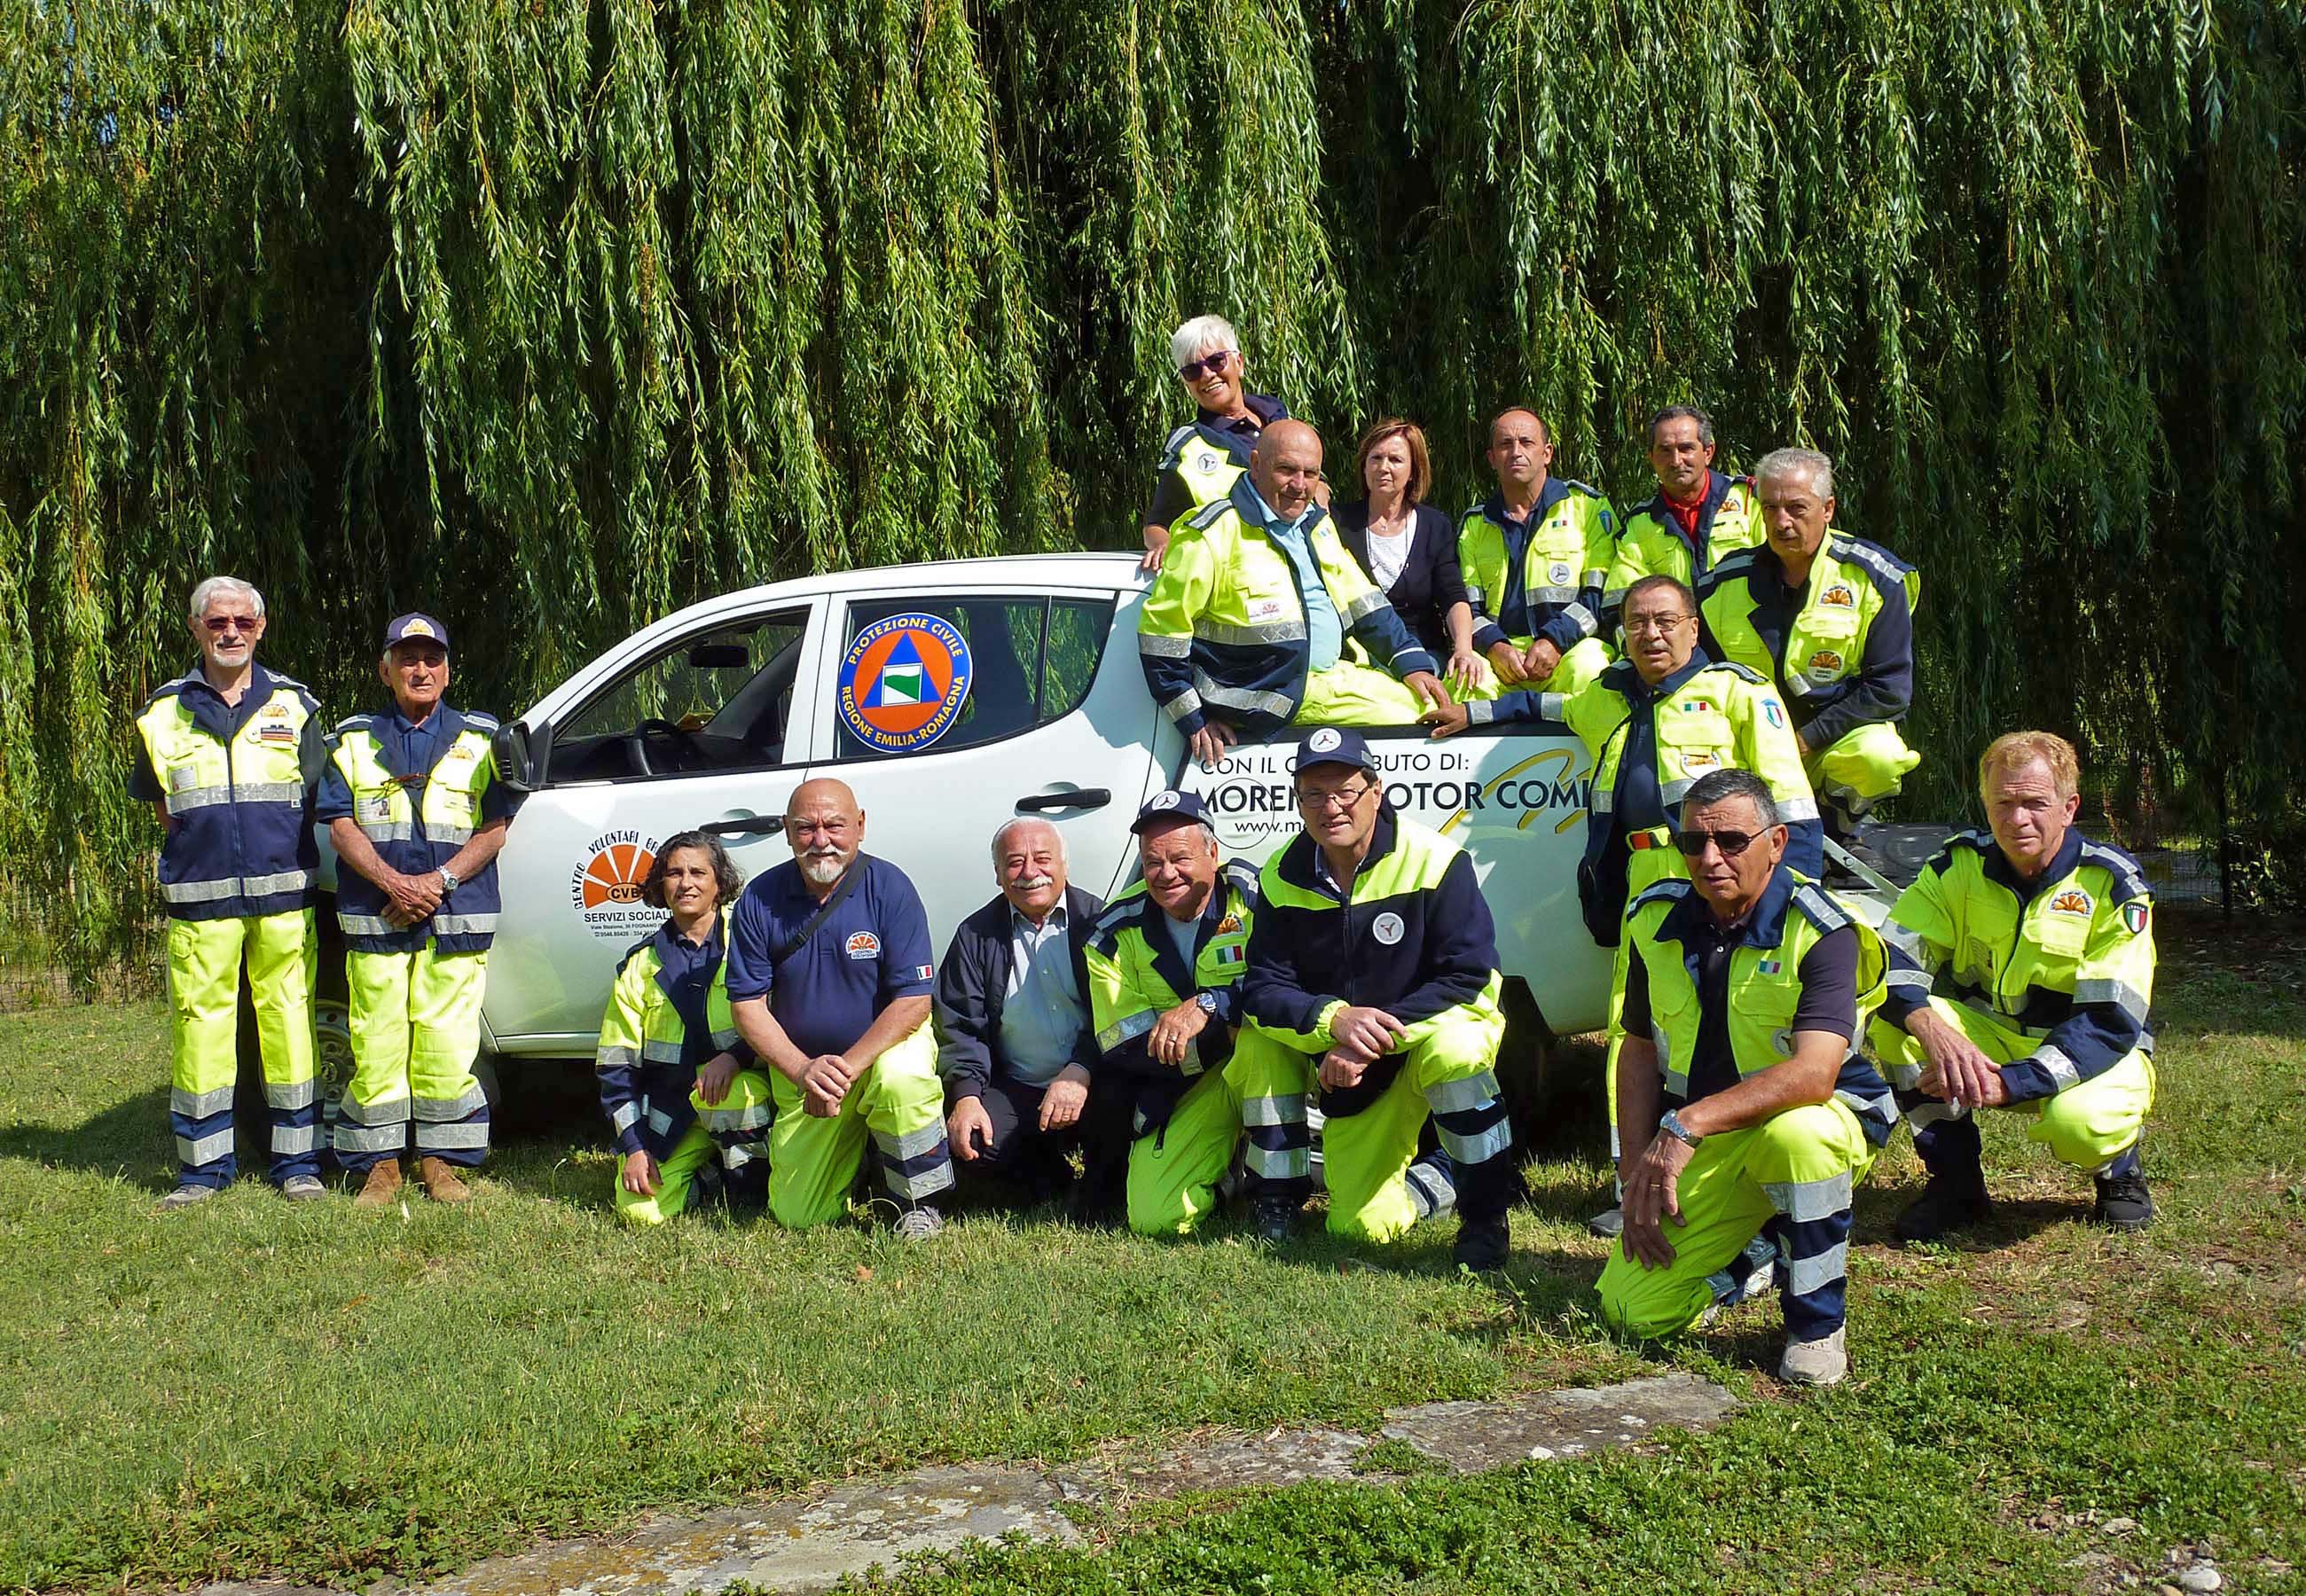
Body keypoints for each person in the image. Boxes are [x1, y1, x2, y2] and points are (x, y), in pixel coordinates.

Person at [1426, 574, 1819, 1237]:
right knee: (1636, 1034)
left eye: (1666, 620)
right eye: (1637, 622)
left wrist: (1788, 899)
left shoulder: (1737, 692)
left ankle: (1761, 1184)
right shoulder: (1607, 695)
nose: (1651, 633)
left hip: (1721, 872)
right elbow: (1548, 711)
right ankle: (1632, 1183)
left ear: (1694, 627)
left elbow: (1795, 809)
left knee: (1737, 1022)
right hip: (1643, 879)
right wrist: (1475, 715)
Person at [1599, 770, 1896, 1386]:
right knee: (1631, 1310)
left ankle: (1816, 1325)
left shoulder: (1823, 929)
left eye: (1732, 841)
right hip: (1715, 1132)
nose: (1710, 859)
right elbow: (1638, 1047)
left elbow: (1814, 1075)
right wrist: (1632, 1170)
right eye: (1693, 844)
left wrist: (1683, 1127)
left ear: (1777, 843)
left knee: (1798, 1139)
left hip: (1819, 1116)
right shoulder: (1652, 918)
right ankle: (1760, 1254)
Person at [1232, 728, 1518, 1270]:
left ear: (1376, 791)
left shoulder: (1437, 860)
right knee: (1359, 1228)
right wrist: (1334, 1021)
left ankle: (1486, 1217)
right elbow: (1263, 990)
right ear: (1297, 802)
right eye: (1313, 795)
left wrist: (1367, 1039)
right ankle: (1443, 1175)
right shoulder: (1278, 878)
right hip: (1353, 1061)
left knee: (1457, 1054)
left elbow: (1467, 974)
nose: (1331, 807)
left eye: (1346, 790)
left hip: (1433, 1033)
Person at [1868, 732, 2158, 1239]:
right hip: (1987, 1041)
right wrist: (1932, 1030)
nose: (2017, 819)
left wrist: (2015, 1082)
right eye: (2003, 803)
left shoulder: (2112, 885)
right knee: (1898, 1027)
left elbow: (2109, 1019)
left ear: (2069, 808)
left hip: (2092, 1050)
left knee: (2080, 1127)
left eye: (2034, 804)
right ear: (1986, 805)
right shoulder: (1956, 867)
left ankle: (2118, 1171)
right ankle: (1955, 1186)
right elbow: (1888, 958)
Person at [131, 576, 327, 1209]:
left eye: (242, 621)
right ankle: (201, 1172)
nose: (231, 633)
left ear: (261, 627)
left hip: (283, 902)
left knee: (290, 1027)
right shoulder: (163, 714)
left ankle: (298, 1165)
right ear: (196, 628)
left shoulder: (296, 707)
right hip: (200, 902)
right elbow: (164, 807)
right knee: (201, 1032)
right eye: (217, 623)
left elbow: (319, 800)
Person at [319, 614, 514, 1206]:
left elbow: (496, 825)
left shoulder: (484, 739)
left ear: (449, 670)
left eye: (432, 658)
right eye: (407, 658)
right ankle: (379, 1165)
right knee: (375, 1039)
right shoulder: (349, 740)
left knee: (448, 1041)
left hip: (456, 915)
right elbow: (339, 824)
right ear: (385, 670)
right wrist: (393, 883)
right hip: (376, 912)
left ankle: (441, 1163)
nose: (420, 669)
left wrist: (437, 880)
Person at [1139, 419, 1452, 764]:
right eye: (1286, 470)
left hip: (1331, 675)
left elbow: (1365, 603)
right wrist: (1193, 719)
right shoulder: (1212, 534)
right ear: (1256, 465)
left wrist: (1411, 663)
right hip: (1270, 694)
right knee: (1420, 717)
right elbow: (1161, 635)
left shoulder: (1315, 525)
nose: (1299, 486)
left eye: (1311, 473)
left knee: (1449, 694)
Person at [725, 778, 955, 1235]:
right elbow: (747, 1006)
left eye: (834, 825)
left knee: (901, 1082)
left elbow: (913, 1001)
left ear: (861, 826)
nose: (821, 840)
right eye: (806, 828)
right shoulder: (758, 898)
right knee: (798, 1214)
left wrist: (846, 1069)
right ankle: (866, 1163)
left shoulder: (890, 887)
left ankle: (918, 1201)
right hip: (805, 1069)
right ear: (788, 832)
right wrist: (803, 1070)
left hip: (883, 1049)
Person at [1698, 449, 1921, 833]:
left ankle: (1836, 829)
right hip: (1745, 744)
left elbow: (1889, 690)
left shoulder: (1873, 579)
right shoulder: (1724, 583)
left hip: (1826, 741)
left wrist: (1805, 739)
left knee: (1879, 756)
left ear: (1828, 508)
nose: (1782, 522)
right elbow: (1698, 672)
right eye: (1770, 509)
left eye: (1796, 508)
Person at [1085, 791, 1265, 1236]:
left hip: (1268, 1066)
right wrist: (1220, 1037)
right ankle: (1230, 1176)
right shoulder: (1112, 933)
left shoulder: (1257, 898)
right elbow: (1123, 1047)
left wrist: (1210, 1006)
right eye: (1152, 862)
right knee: (1155, 1219)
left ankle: (1278, 1192)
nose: (1166, 874)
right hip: (1190, 1083)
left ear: (1214, 853)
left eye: (1180, 858)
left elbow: (1285, 986)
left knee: (1260, 1042)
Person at [934, 818, 1127, 1218]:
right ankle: (1049, 1176)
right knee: (976, 1144)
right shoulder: (974, 935)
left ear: (1064, 866)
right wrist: (966, 1095)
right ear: (998, 874)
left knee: (1127, 1112)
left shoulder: (1100, 922)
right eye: (1015, 862)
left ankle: (1101, 1184)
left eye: (1042, 859)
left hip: (1095, 1077)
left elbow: (1121, 1012)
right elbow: (960, 1025)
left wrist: (1081, 1069)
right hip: (1017, 1083)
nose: (1029, 872)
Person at [593, 833, 777, 1224]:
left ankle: (750, 1184)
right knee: (639, 1212)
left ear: (719, 883)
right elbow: (616, 1068)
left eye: (698, 872)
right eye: (674, 873)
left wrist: (735, 1057)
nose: (686, 882)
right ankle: (711, 1177)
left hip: (745, 1096)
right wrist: (634, 1148)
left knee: (730, 1099)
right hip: (672, 1109)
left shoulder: (750, 943)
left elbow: (782, 1020)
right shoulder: (640, 966)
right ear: (661, 884)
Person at [1456, 409, 1617, 697]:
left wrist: (1555, 641)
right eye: (1505, 444)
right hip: (1500, 655)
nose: (1516, 452)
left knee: (1589, 669)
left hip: (1570, 647)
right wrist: (1495, 646)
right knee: (1463, 681)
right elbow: (1466, 607)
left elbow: (1599, 596)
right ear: (1492, 458)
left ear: (1547, 453)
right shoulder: (1474, 525)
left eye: (1526, 442)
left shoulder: (1588, 508)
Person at [1140, 315, 1305, 573]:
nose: (1206, 375)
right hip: (1243, 580)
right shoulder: (1188, 446)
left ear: (1238, 362)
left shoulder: (1279, 416)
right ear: (1186, 383)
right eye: (1192, 370)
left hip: (1304, 564)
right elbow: (1157, 524)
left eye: (1216, 361)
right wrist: (1164, 547)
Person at [1330, 418, 1482, 690]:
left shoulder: (1435, 526)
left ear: (1413, 470)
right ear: (1364, 466)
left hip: (1423, 653)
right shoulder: (1337, 522)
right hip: (1357, 657)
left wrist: (1463, 649)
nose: (1383, 468)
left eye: (1395, 460)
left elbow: (1452, 595)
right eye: (1375, 458)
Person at [1604, 406, 1765, 622]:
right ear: (1651, 457)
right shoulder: (1638, 525)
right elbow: (1622, 602)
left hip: (1745, 642)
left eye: (1686, 448)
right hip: (1676, 650)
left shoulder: (1751, 501)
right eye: (1665, 450)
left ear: (1708, 452)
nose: (1676, 461)